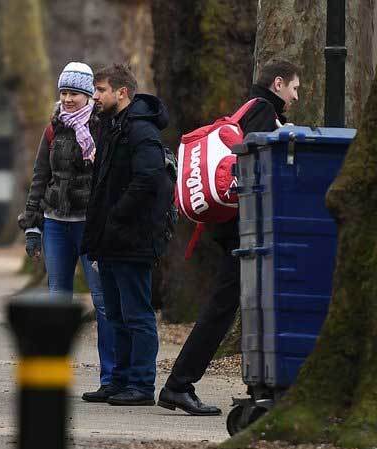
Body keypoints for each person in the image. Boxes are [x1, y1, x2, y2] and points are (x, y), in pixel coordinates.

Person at [158, 60, 300, 416]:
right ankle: (179, 384)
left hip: (229, 224)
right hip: (243, 227)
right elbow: (257, 169)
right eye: (295, 88)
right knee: (221, 309)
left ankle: (252, 382)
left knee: (239, 304)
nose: (296, 96)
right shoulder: (265, 111)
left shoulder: (249, 107)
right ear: (278, 83)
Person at [17, 62, 115, 397]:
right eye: (63, 93)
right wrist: (32, 225)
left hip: (89, 227)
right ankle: (53, 376)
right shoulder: (53, 128)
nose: (68, 99)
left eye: (74, 93)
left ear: (88, 95)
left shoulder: (104, 128)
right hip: (56, 224)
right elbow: (40, 177)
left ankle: (110, 378)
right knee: (56, 301)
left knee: (102, 302)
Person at [81, 63, 171, 406]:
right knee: (116, 314)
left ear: (122, 92)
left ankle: (141, 385)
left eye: (101, 90)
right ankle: (118, 381)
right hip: (112, 239)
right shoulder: (110, 126)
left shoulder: (141, 130)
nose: (95, 97)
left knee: (136, 314)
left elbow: (149, 180)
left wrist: (117, 216)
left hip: (133, 238)